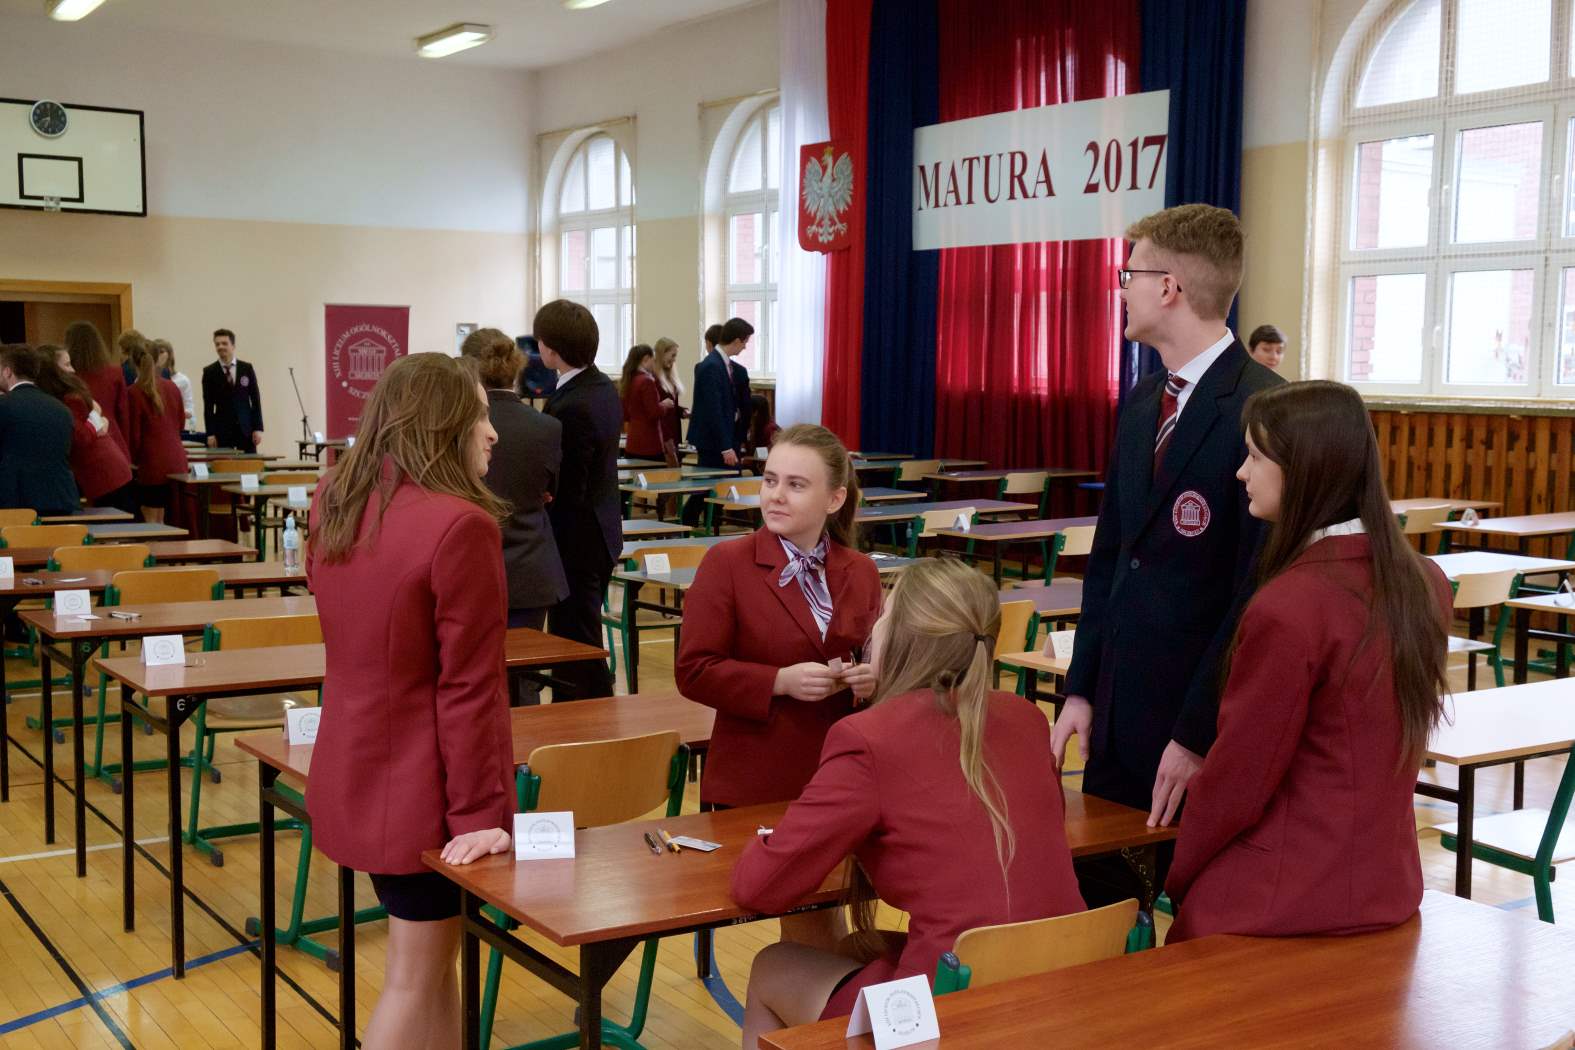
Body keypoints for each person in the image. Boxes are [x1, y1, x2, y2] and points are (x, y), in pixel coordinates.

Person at [732, 558, 1085, 1044]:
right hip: (1062, 977)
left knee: (772, 966)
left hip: (954, 1000)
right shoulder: (1027, 718)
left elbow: (761, 887)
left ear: (902, 638)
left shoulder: (868, 738)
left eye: (884, 615)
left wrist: (765, 840)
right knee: (858, 945)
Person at [1053, 204, 1283, 906]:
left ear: (1168, 287)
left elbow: (1253, 598)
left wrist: (1195, 733)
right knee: (1101, 912)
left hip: (1198, 728)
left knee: (1193, 928)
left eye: (1129, 276)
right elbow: (1111, 559)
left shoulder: (1264, 408)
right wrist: (1082, 688)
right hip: (1117, 716)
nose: (1121, 289)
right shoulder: (1144, 398)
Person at [1166, 381, 1450, 940]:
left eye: (1254, 456)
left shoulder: (1289, 605)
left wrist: (1179, 872)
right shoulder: (1427, 582)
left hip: (1287, 897)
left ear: (1303, 469)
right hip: (1388, 885)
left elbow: (1240, 777)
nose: (1241, 473)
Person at [306, 352, 513, 1049]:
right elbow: (469, 689)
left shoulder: (335, 500)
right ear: (444, 423)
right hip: (427, 791)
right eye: (480, 415)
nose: (492, 432)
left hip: (354, 768)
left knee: (430, 975)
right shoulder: (460, 525)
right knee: (414, 981)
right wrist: (480, 814)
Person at [676, 423, 882, 945]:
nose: (775, 495)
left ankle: (826, 990)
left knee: (828, 916)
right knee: (809, 921)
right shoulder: (727, 563)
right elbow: (693, 669)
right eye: (770, 480)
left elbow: (871, 656)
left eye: (796, 485)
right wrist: (778, 682)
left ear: (835, 499)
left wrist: (872, 677)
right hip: (761, 775)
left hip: (843, 773)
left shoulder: (859, 570)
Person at [460, 327, 569, 706]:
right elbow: (551, 491)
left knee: (475, 679)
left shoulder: (459, 425)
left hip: (471, 566)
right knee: (523, 682)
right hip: (529, 566)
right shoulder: (547, 427)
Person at [537, 300, 622, 700]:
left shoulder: (573, 403)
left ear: (551, 349)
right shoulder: (601, 387)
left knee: (575, 638)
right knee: (580, 633)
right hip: (600, 530)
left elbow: (572, 483)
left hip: (578, 537)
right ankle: (586, 709)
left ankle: (587, 714)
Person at [36, 347, 137, 516]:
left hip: (104, 472)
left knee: (116, 524)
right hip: (106, 470)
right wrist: (98, 419)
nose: (72, 370)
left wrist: (97, 419)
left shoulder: (69, 398)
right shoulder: (68, 395)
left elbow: (81, 437)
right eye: (67, 365)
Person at [683, 317, 754, 525]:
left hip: (724, 438)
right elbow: (713, 409)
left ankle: (708, 525)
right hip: (714, 442)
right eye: (745, 342)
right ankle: (687, 524)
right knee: (707, 487)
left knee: (720, 486)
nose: (745, 347)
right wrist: (725, 447)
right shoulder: (711, 366)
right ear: (737, 340)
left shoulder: (724, 364)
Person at [0, 344, 79, 515]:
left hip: (15, 502)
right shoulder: (61, 409)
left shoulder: (4, 405)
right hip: (60, 498)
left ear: (7, 372)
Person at [125, 341, 188, 523]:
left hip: (151, 463)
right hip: (177, 461)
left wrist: (131, 460)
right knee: (170, 520)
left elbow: (134, 435)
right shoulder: (172, 387)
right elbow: (181, 424)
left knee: (151, 521)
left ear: (133, 363)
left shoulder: (134, 392)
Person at [63, 320, 131, 458]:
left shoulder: (67, 375)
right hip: (114, 439)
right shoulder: (115, 373)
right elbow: (123, 414)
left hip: (82, 441)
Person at [202, 328, 264, 452]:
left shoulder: (246, 368)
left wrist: (257, 428)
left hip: (246, 430)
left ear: (233, 345)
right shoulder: (209, 372)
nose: (220, 346)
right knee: (224, 463)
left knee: (250, 463)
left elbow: (255, 400)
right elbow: (208, 406)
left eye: (224, 343)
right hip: (222, 431)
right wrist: (210, 433)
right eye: (217, 344)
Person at [619, 343, 670, 461]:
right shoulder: (647, 381)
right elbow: (654, 413)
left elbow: (625, 414)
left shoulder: (628, 380)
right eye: (653, 360)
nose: (654, 363)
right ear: (646, 359)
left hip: (632, 442)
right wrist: (664, 405)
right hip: (649, 443)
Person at [652, 336, 686, 466]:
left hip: (673, 433)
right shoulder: (653, 379)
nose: (674, 359)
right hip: (663, 437)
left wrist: (682, 411)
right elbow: (654, 409)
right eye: (672, 355)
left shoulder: (670, 377)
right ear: (662, 353)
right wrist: (666, 438)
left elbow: (672, 405)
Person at [153, 339, 197, 434]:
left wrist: (173, 412)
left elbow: (190, 410)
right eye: (155, 352)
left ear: (169, 355)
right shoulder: (145, 380)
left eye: (161, 352)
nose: (158, 356)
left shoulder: (182, 380)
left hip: (174, 429)